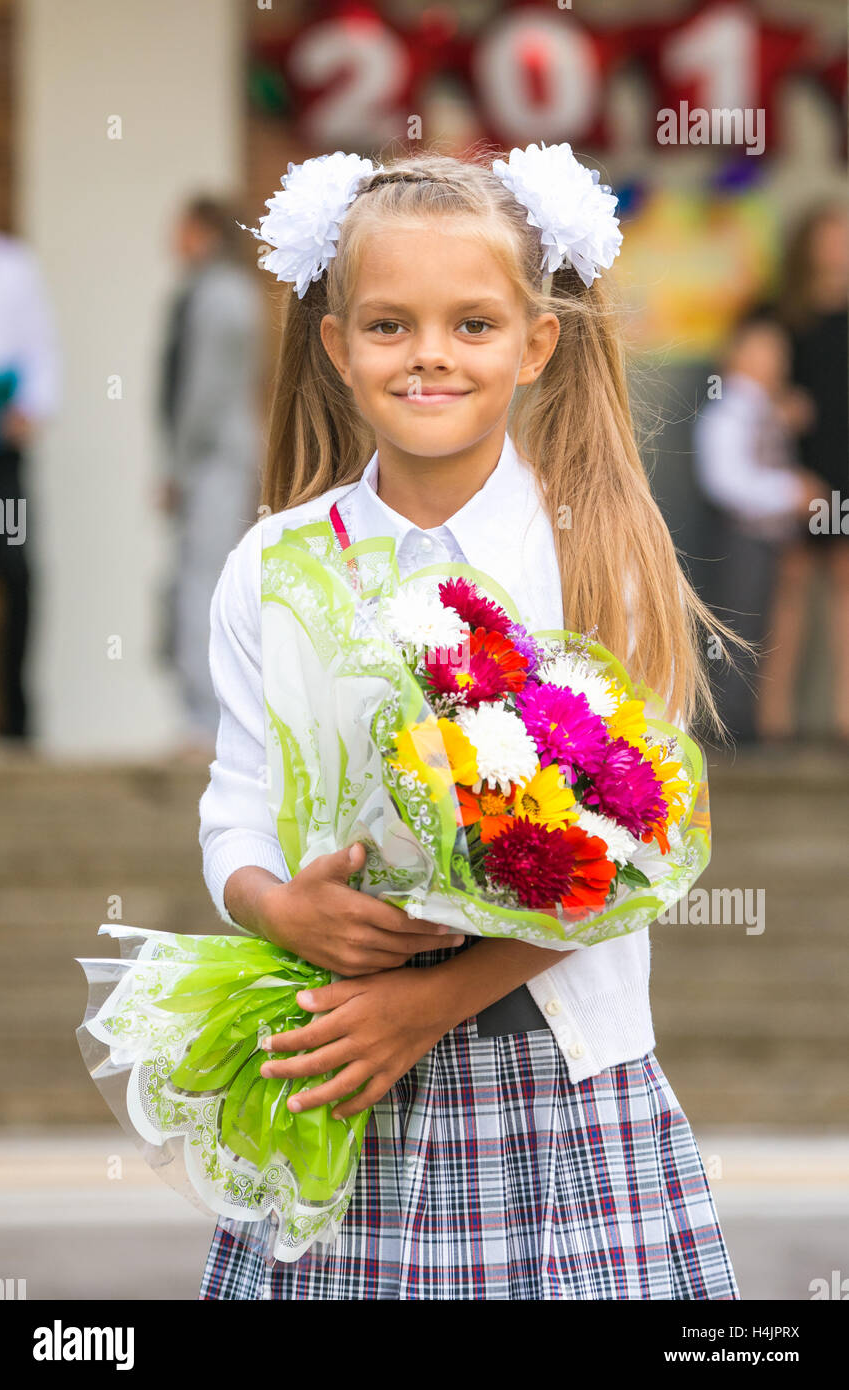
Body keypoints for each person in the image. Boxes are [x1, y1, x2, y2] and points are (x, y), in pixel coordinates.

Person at [197, 147, 741, 1300]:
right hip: (342, 1074)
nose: (430, 354)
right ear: (336, 344)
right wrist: (278, 901)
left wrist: (429, 999)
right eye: (388, 325)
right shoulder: (275, 566)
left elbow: (634, 849)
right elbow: (235, 802)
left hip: (561, 1087)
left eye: (473, 323)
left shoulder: (594, 554)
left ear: (535, 342)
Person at [155, 194, 264, 758]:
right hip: (211, 458)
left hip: (214, 459)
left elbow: (204, 392)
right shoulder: (211, 293)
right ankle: (202, 714)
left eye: (179, 226)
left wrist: (177, 465)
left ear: (201, 230)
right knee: (195, 577)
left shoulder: (221, 297)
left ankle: (206, 718)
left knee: (204, 581)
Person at [693, 308, 823, 745]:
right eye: (764, 349)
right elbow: (726, 481)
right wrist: (790, 492)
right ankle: (731, 724)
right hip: (740, 541)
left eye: (778, 351)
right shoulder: (732, 408)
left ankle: (750, 721)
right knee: (737, 629)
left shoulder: (764, 408)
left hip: (766, 542)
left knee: (761, 629)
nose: (775, 360)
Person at [759, 204, 849, 744]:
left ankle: (844, 716)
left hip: (844, 465)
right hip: (794, 471)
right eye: (828, 238)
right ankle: (774, 719)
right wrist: (776, 405)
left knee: (843, 581)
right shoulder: (778, 316)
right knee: (789, 583)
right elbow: (741, 384)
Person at [0, 162, 59, 738]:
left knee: (14, 566)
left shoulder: (14, 266)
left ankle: (15, 716)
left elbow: (39, 347)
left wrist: (28, 409)